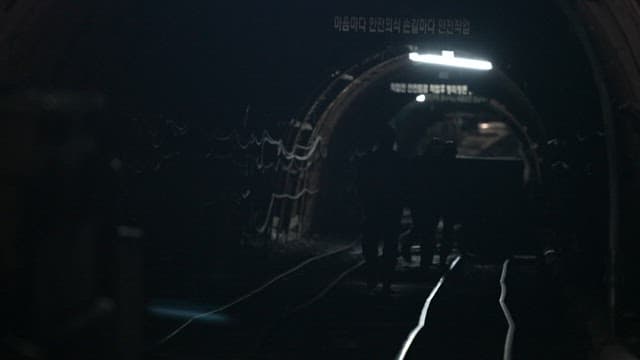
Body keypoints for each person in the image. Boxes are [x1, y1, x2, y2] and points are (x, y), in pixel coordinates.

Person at [356, 125, 404, 293]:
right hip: (392, 211)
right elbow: (407, 187)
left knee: (370, 244)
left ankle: (372, 276)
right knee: (390, 246)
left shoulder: (369, 161)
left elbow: (359, 185)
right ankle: (386, 282)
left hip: (372, 209)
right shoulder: (400, 161)